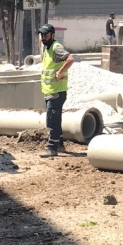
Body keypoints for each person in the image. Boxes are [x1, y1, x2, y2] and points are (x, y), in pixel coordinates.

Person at [39, 23, 74, 158]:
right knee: (55, 119)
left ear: (52, 35)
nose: (43, 38)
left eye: (46, 35)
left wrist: (60, 71)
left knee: (52, 120)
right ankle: (59, 144)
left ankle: (52, 148)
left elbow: (70, 59)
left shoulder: (56, 48)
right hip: (51, 91)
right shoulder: (48, 49)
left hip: (56, 92)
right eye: (42, 35)